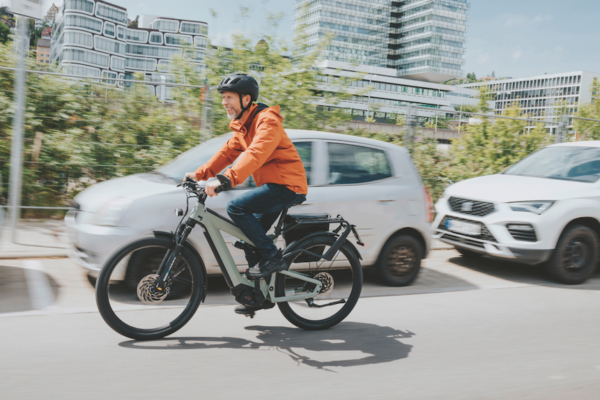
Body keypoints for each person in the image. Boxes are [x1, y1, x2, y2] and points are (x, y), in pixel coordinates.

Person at [185, 72, 307, 303]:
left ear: (246, 99)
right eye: (223, 97)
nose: (224, 102)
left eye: (229, 97)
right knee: (250, 241)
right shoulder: (244, 126)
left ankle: (273, 257)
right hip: (273, 186)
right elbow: (227, 153)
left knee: (237, 208)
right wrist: (200, 174)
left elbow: (256, 153)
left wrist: (225, 179)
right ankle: (258, 296)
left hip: (287, 185)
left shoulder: (267, 121)